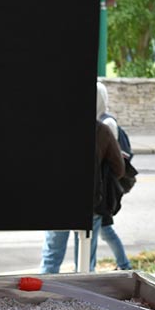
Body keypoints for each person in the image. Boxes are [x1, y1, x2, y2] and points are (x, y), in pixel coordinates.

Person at [39, 85, 125, 274]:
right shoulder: (102, 131)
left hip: (57, 201)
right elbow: (119, 169)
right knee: (85, 262)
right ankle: (83, 300)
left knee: (51, 258)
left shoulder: (56, 125)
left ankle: (41, 297)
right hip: (91, 202)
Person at [96, 82, 133, 270]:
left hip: (103, 188)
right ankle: (124, 264)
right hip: (100, 188)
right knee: (104, 230)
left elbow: (113, 160)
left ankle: (125, 265)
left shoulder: (106, 123)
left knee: (104, 230)